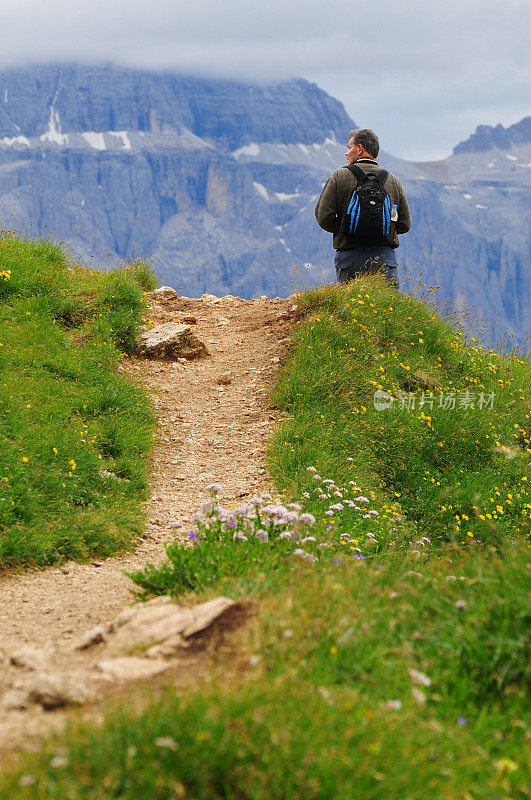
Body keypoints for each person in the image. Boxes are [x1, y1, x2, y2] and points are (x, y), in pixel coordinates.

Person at [315, 128, 411, 288]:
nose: (346, 153)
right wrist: (383, 230)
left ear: (359, 148)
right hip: (384, 259)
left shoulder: (339, 177)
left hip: (349, 258)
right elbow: (404, 224)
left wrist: (347, 230)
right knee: (386, 311)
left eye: (349, 147)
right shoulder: (393, 181)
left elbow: (324, 217)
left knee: (351, 309)